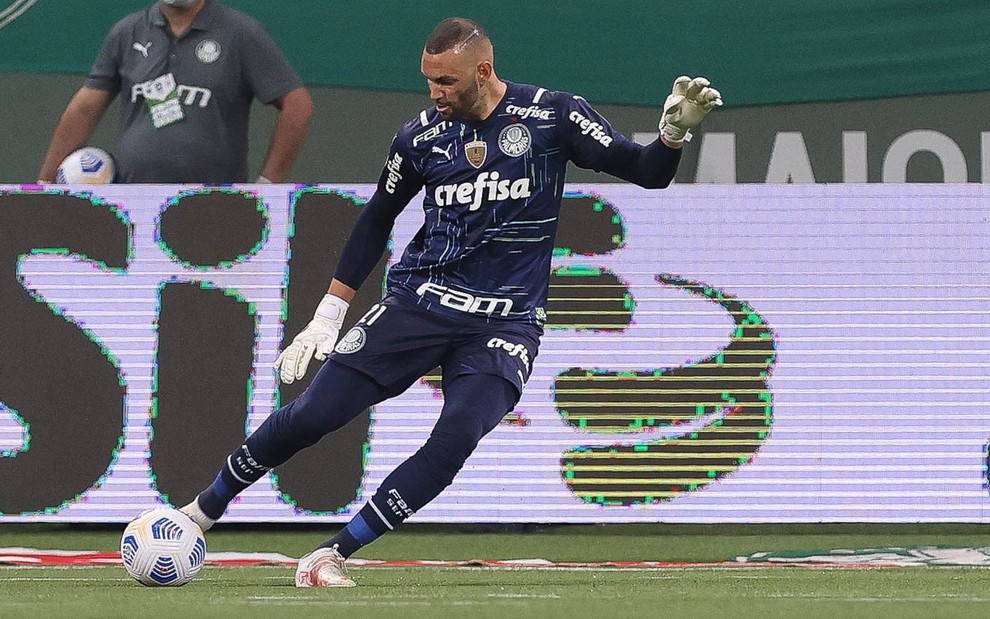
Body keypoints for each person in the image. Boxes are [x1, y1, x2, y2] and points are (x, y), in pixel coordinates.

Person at [180, 16, 722, 587]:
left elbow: (647, 174)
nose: (435, 94)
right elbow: (376, 220)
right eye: (428, 81)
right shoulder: (419, 138)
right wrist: (328, 314)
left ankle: (332, 554)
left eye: (446, 82)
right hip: (420, 302)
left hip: (506, 323)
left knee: (457, 435)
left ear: (482, 71)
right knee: (315, 413)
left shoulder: (553, 115)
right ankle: (200, 513)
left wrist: (671, 137)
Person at [36, 0, 313, 184]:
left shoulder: (241, 33)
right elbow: (84, 109)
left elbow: (297, 106)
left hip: (214, 206)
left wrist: (267, 187)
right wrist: (43, 188)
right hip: (134, 204)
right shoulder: (127, 33)